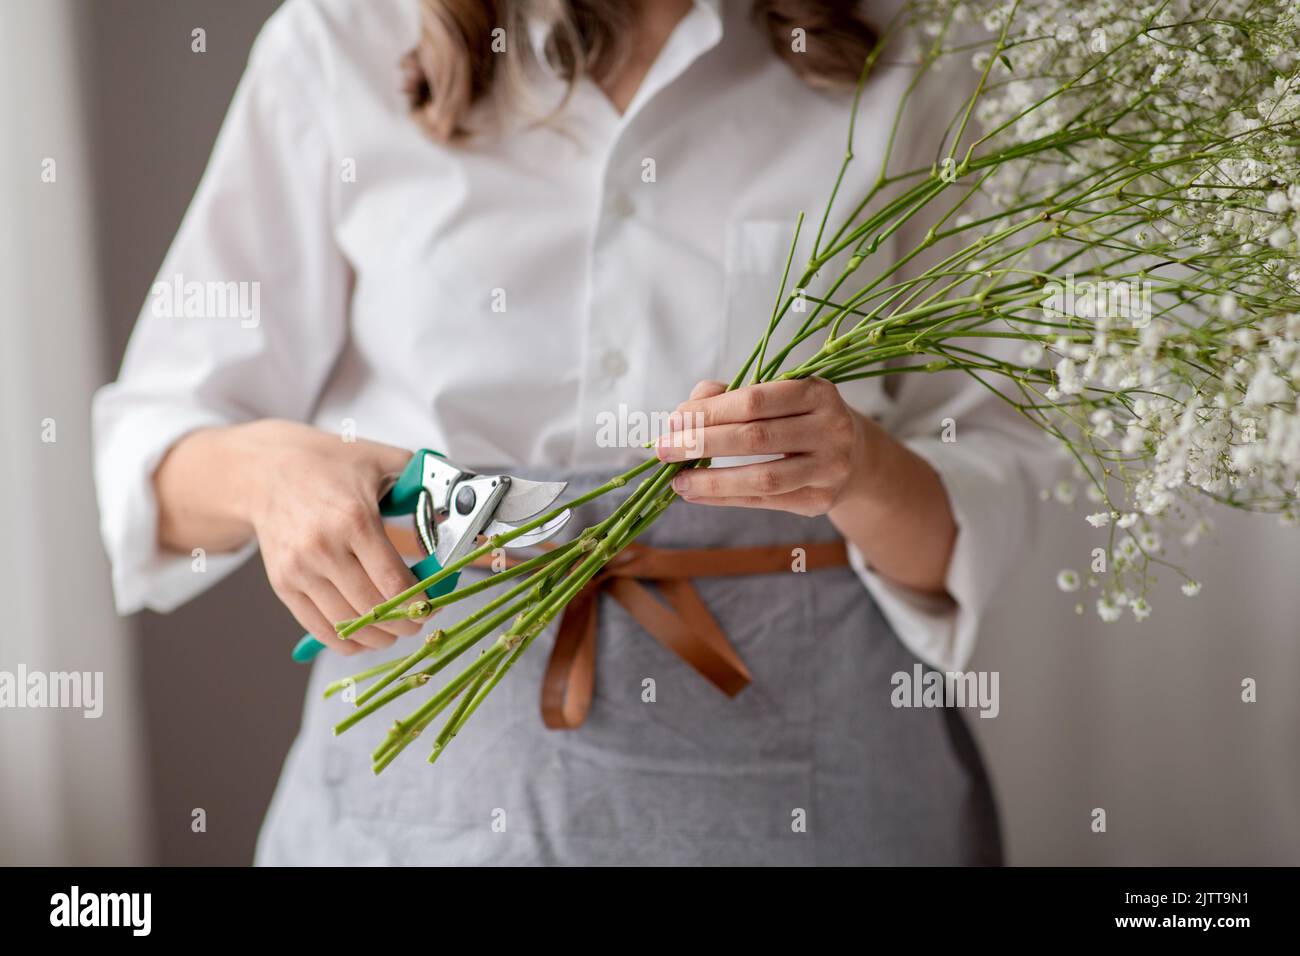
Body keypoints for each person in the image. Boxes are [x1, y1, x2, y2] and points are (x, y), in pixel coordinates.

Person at [94, 0, 1045, 865]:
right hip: (420, 815)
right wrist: (270, 476)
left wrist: (858, 468)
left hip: (822, 807)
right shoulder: (341, 41)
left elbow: (982, 500)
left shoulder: (915, 61)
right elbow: (154, 453)